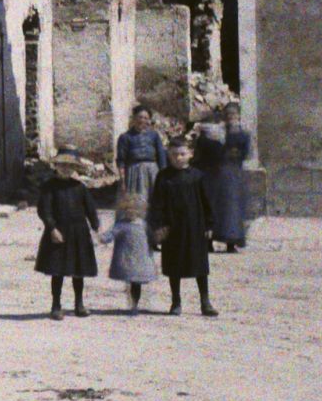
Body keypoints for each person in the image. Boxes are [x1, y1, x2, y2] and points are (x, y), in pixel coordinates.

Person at [150, 137, 218, 315]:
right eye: (174, 155)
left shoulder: (197, 176)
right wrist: (158, 226)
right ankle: (176, 302)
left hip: (195, 226)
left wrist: (209, 224)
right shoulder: (163, 177)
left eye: (182, 154)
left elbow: (206, 202)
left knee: (200, 265)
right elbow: (157, 203)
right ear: (168, 155)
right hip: (172, 229)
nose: (178, 158)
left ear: (190, 154)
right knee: (175, 265)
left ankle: (205, 302)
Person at [34, 151, 101, 320]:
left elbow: (90, 208)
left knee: (79, 270)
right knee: (58, 270)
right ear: (55, 166)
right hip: (59, 231)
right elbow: (44, 210)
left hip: (79, 232)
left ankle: (79, 304)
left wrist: (95, 226)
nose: (66, 169)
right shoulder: (49, 187)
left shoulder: (79, 187)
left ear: (75, 168)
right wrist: (52, 229)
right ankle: (56, 306)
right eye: (62, 165)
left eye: (70, 166)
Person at [194, 100, 252, 252]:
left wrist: (233, 155)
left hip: (233, 175)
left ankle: (231, 243)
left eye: (234, 114)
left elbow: (246, 153)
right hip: (214, 174)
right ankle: (209, 242)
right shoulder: (216, 132)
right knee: (213, 207)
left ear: (239, 116)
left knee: (231, 209)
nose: (231, 117)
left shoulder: (243, 134)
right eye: (228, 114)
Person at [100, 190, 159, 313]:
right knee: (130, 283)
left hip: (141, 260)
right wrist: (101, 237)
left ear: (140, 211)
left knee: (136, 284)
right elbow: (110, 235)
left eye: (135, 210)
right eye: (128, 210)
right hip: (126, 260)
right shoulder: (121, 224)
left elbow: (153, 238)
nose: (131, 212)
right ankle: (132, 305)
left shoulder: (144, 224)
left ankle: (135, 305)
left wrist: (159, 237)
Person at [114, 105, 165, 201]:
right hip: (133, 173)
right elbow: (121, 159)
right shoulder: (125, 137)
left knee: (155, 200)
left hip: (152, 172)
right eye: (140, 117)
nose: (142, 120)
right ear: (134, 118)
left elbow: (161, 156)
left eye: (146, 118)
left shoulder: (154, 135)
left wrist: (163, 176)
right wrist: (123, 179)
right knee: (135, 201)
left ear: (149, 120)